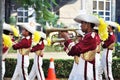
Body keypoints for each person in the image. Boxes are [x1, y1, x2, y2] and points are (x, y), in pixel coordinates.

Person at [60, 13, 100, 80]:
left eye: (82, 23)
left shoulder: (90, 37)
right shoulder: (87, 36)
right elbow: (72, 52)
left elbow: (75, 50)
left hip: (86, 70)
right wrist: (66, 42)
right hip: (83, 68)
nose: (81, 26)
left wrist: (67, 38)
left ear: (88, 24)